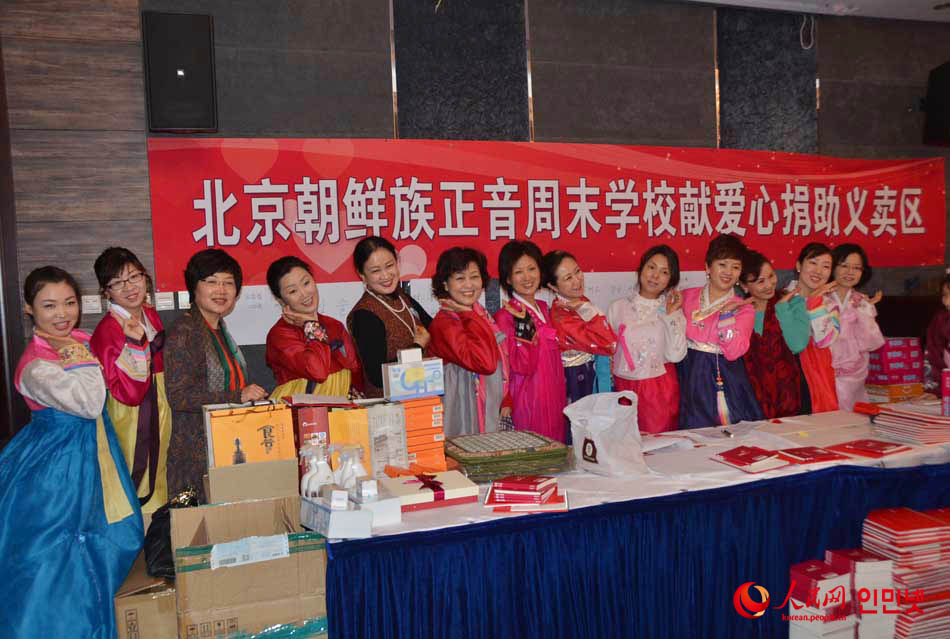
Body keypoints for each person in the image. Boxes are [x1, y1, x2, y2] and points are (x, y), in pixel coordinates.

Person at [0, 266, 142, 638]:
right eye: (49, 306)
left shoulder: (77, 339)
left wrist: (129, 344)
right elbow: (91, 402)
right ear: (29, 309)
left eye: (69, 303)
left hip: (93, 455)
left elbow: (121, 382)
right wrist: (79, 353)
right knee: (60, 558)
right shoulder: (37, 365)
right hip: (57, 469)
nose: (62, 314)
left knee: (103, 543)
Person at [165, 249, 268, 502]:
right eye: (212, 281)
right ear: (194, 287)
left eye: (228, 283)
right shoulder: (185, 331)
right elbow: (179, 397)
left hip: (225, 443)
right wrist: (237, 396)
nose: (221, 290)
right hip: (196, 454)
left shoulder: (219, 328)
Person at [89, 247, 171, 514]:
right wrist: (134, 344)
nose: (129, 287)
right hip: (132, 415)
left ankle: (157, 526)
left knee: (159, 472)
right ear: (106, 292)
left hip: (159, 402)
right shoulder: (107, 330)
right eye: (118, 282)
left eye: (134, 277)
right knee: (136, 476)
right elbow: (128, 393)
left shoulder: (149, 314)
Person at [678, 234, 763, 428]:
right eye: (722, 264)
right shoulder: (686, 296)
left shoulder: (744, 308)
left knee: (724, 432)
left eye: (735, 267)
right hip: (686, 371)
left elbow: (734, 352)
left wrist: (726, 316)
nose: (728, 272)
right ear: (708, 267)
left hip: (722, 376)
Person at [427, 247, 511, 436]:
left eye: (474, 277)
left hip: (488, 408)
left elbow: (500, 360)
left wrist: (506, 395)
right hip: (463, 413)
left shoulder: (480, 314)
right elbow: (486, 363)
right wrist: (468, 315)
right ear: (445, 285)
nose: (469, 285)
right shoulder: (445, 322)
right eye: (460, 278)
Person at [607, 245, 686, 433]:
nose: (655, 276)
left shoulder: (673, 312)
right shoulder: (617, 308)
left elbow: (675, 356)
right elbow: (608, 352)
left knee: (657, 443)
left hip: (658, 389)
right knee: (624, 441)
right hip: (623, 387)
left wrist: (671, 315)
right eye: (651, 267)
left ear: (671, 280)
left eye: (664, 272)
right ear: (641, 269)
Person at [494, 240, 567, 442]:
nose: (527, 277)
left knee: (555, 446)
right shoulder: (505, 316)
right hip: (527, 396)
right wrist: (523, 325)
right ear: (508, 279)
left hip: (554, 392)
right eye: (518, 272)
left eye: (532, 269)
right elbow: (515, 365)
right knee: (533, 448)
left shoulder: (544, 308)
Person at [265, 256, 362, 398]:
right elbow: (318, 372)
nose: (304, 294)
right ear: (281, 300)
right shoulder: (280, 334)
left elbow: (354, 369)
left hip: (338, 406)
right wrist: (311, 325)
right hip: (297, 409)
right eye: (293, 291)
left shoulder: (334, 325)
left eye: (306, 283)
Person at [347, 237, 432, 397]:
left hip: (422, 397)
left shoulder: (402, 298)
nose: (386, 275)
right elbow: (378, 376)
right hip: (390, 405)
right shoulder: (364, 315)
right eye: (375, 271)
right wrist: (417, 347)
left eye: (389, 265)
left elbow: (433, 328)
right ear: (362, 275)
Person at [543, 250, 617, 416]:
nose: (577, 280)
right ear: (553, 286)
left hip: (590, 373)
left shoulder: (578, 301)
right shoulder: (562, 317)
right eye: (568, 278)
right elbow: (609, 343)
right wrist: (588, 309)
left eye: (577, 271)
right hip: (579, 380)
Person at [774, 243, 840, 414]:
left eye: (825, 266)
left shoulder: (830, 305)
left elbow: (824, 341)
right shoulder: (778, 298)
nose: (818, 271)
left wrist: (815, 302)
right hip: (783, 370)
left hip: (817, 374)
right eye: (813, 263)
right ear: (798, 265)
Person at [739, 250, 802, 419]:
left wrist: (783, 308)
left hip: (787, 393)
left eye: (771, 276)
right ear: (744, 286)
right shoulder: (739, 312)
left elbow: (797, 345)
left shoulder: (789, 302)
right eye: (760, 281)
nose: (769, 285)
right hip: (751, 396)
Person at [825, 244, 885, 411]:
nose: (850, 272)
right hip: (825, 368)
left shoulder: (862, 302)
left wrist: (863, 312)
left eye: (857, 268)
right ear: (832, 267)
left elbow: (873, 341)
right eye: (844, 266)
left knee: (854, 414)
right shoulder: (820, 300)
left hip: (856, 370)